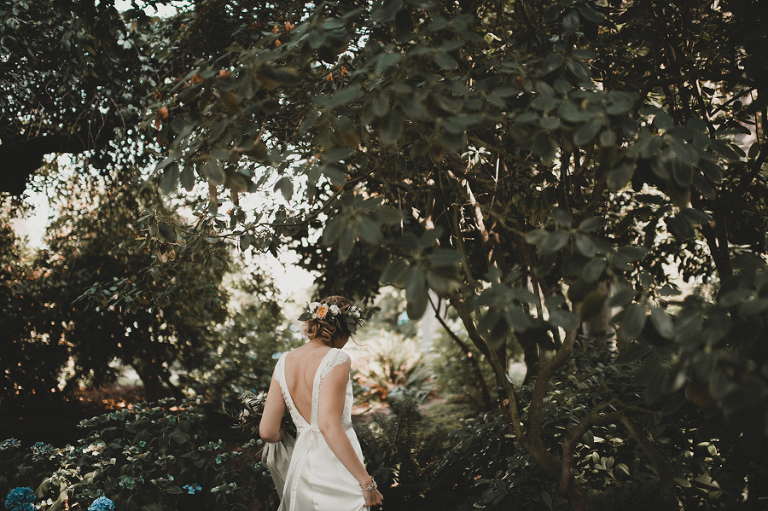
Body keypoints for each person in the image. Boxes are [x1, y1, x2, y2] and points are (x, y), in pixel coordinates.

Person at [259, 296, 384, 510]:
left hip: (302, 467)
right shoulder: (336, 358)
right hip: (335, 468)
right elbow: (328, 425)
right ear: (342, 330)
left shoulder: (284, 361)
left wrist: (295, 431)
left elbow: (268, 431)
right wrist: (365, 481)